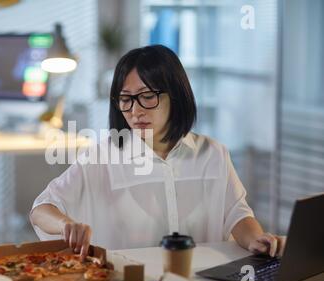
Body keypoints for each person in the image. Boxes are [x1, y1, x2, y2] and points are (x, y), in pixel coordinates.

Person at [30, 45, 285, 259]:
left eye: (147, 96)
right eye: (126, 99)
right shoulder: (102, 156)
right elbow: (42, 208)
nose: (135, 111)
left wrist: (256, 239)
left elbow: (236, 215)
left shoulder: (212, 154)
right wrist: (65, 224)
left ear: (175, 95)